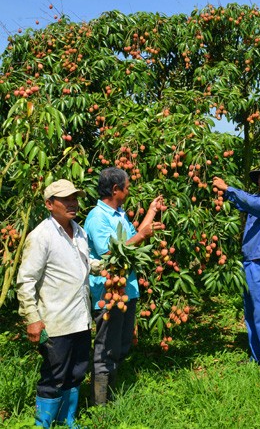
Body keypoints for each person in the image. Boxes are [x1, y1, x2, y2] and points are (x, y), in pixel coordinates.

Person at [16, 180, 92, 427]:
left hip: (80, 318)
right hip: (56, 321)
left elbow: (86, 264)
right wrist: (32, 318)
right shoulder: (41, 236)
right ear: (49, 204)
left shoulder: (80, 232)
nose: (73, 203)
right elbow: (26, 280)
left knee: (76, 372)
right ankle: (43, 423)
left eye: (75, 198)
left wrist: (107, 266)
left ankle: (66, 420)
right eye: (65, 199)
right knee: (54, 375)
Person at [85, 167, 164, 405]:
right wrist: (142, 236)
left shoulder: (118, 213)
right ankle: (100, 405)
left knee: (120, 345)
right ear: (116, 189)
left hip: (126, 291)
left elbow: (133, 237)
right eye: (127, 187)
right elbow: (111, 255)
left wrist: (151, 212)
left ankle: (111, 396)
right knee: (105, 348)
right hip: (108, 293)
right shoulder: (97, 218)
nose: (129, 191)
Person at [213, 162, 260, 370]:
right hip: (249, 260)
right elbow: (242, 202)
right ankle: (257, 358)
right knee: (251, 311)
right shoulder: (255, 200)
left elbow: (253, 205)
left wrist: (228, 188)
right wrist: (222, 191)